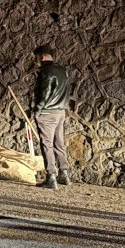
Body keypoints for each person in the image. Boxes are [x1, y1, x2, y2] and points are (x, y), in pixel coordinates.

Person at [31, 45, 71, 189]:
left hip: (47, 112)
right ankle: (64, 173)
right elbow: (67, 90)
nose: (36, 61)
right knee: (59, 143)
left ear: (41, 57)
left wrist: (37, 109)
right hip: (61, 111)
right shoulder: (62, 70)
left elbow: (45, 92)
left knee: (46, 144)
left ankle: (51, 176)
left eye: (36, 58)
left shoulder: (45, 72)